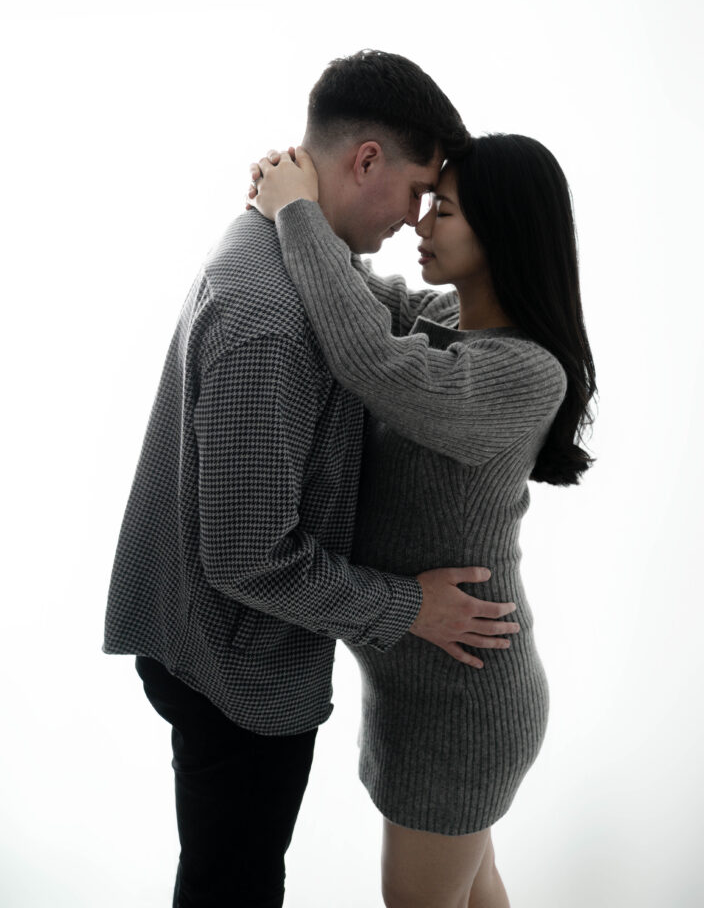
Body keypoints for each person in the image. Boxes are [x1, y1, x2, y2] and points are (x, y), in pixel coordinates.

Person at [103, 50, 522, 908]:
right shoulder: (272, 318)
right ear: (366, 160)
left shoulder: (286, 250)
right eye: (418, 191)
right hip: (233, 667)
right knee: (234, 884)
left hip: (210, 640)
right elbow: (249, 558)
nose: (416, 221)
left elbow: (375, 315)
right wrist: (412, 608)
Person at [249, 134, 597, 908]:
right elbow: (361, 299)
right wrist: (294, 193)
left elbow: (367, 358)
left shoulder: (524, 371)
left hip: (463, 709)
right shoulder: (444, 318)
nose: (420, 222)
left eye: (444, 209)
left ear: (502, 230)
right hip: (424, 693)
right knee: (474, 891)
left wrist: (297, 212)